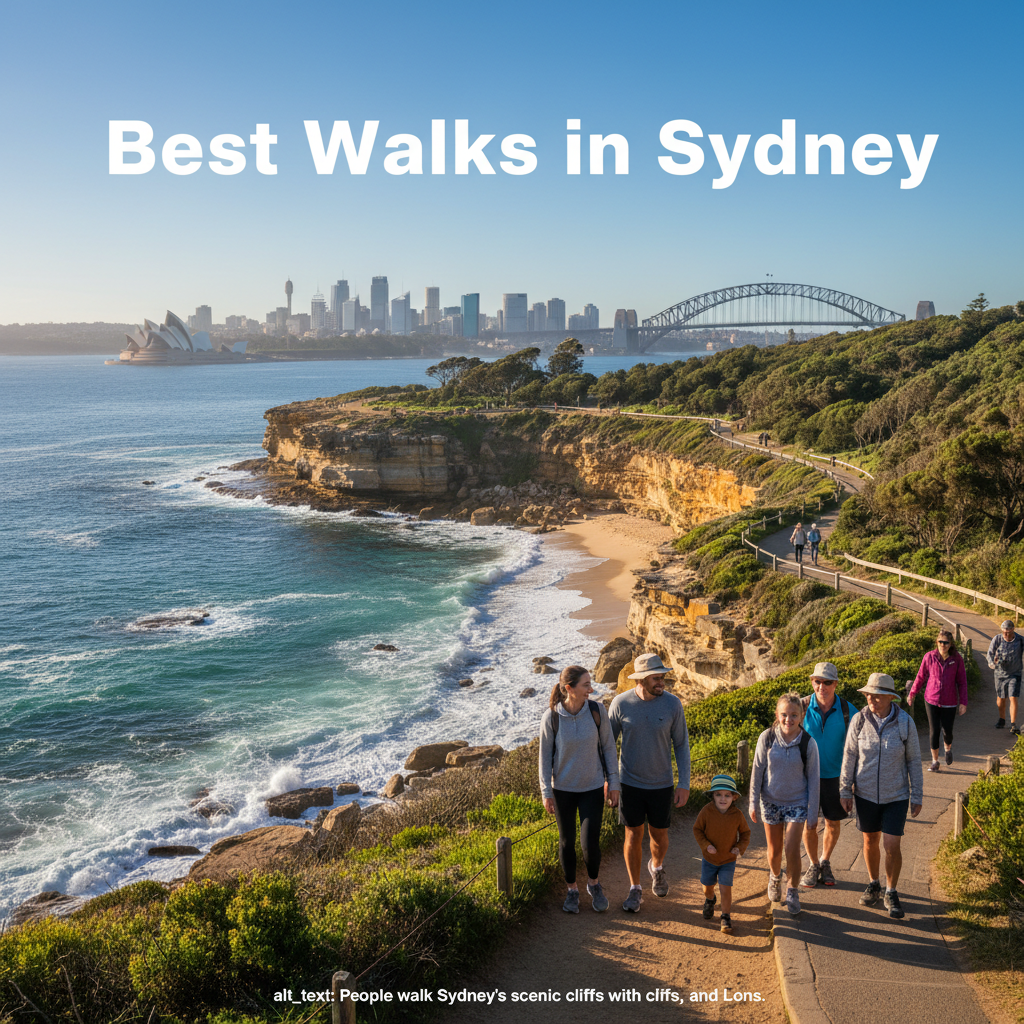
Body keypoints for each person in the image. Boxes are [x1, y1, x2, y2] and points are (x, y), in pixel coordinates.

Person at [609, 652, 690, 913]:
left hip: (661, 783)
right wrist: (609, 782)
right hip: (629, 783)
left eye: (662, 677)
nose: (662, 682)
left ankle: (656, 867)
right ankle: (635, 888)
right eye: (656, 678)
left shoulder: (673, 705)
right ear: (642, 679)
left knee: (659, 836)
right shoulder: (620, 704)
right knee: (633, 834)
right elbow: (608, 747)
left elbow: (681, 745)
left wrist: (684, 783)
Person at [840, 673, 923, 920]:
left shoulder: (905, 723)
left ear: (890, 697)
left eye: (876, 695)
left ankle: (892, 890)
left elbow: (914, 760)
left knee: (891, 844)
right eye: (868, 694)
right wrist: (845, 789)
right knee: (869, 841)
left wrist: (917, 794)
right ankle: (873, 883)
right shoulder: (858, 720)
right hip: (865, 794)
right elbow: (849, 756)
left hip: (896, 795)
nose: (871, 699)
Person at [539, 666, 620, 913]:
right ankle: (572, 889)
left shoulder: (597, 711)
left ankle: (594, 884)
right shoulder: (551, 717)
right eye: (586, 685)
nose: (591, 689)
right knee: (566, 843)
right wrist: (546, 792)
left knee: (589, 843)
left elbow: (608, 748)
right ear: (569, 689)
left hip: (592, 787)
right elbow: (544, 759)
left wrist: (613, 784)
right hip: (562, 790)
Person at [749, 693, 820, 917]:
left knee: (791, 848)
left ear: (801, 716)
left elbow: (814, 779)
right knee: (774, 851)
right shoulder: (767, 738)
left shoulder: (808, 743)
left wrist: (812, 812)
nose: (788, 719)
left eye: (793, 715)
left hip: (797, 802)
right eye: (784, 715)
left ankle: (792, 890)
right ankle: (775, 876)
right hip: (770, 801)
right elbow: (757, 771)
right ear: (777, 715)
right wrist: (752, 802)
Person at [799, 662, 853, 888]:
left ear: (836, 684)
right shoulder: (800, 707)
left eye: (827, 682)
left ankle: (825, 860)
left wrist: (851, 783)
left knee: (833, 822)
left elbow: (858, 746)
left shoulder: (848, 710)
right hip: (806, 777)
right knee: (810, 824)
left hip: (836, 777)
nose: (822, 686)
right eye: (818, 681)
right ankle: (812, 864)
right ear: (812, 682)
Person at [693, 774, 751, 934]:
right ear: (713, 795)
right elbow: (697, 829)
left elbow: (745, 833)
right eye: (718, 794)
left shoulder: (737, 815)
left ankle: (725, 917)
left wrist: (739, 847)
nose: (723, 799)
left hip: (728, 860)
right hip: (709, 859)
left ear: (734, 797)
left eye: (727, 795)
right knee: (707, 887)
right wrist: (706, 845)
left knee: (726, 888)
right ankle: (710, 900)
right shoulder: (706, 811)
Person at [908, 630, 968, 770]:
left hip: (950, 701)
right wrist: (912, 693)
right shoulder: (929, 657)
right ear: (937, 642)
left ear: (950, 644)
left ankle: (948, 749)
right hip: (931, 699)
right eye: (940, 642)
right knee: (934, 731)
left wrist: (963, 702)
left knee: (947, 731)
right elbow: (921, 676)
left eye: (946, 642)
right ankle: (935, 761)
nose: (943, 645)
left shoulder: (956, 659)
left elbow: (962, 682)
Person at [986, 620, 1022, 734]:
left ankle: (1013, 724)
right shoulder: (997, 639)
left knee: (1013, 696)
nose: (1006, 634)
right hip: (1000, 674)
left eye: (1008, 632)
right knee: (1001, 698)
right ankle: (1002, 719)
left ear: (1013, 630)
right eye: (1004, 632)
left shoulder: (1020, 640)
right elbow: (990, 654)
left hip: (1015, 673)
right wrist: (993, 664)